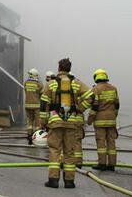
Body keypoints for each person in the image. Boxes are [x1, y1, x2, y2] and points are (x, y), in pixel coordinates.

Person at [40, 58, 93, 189]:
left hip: (55, 122)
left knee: (55, 150)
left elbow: (43, 103)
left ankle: (53, 180)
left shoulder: (51, 84)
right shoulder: (76, 83)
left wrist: (43, 122)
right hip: (72, 123)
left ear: (59, 68)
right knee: (70, 152)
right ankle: (69, 181)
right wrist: (80, 108)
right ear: (69, 68)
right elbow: (91, 96)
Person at [87, 68, 119, 171]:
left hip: (100, 121)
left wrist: (89, 120)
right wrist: (113, 116)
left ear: (96, 77)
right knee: (111, 142)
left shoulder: (96, 89)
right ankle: (112, 165)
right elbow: (117, 105)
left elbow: (94, 107)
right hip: (112, 120)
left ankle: (102, 164)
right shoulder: (113, 88)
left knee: (101, 143)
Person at [24, 68, 43, 144]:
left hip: (27, 105)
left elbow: (26, 91)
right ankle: (37, 136)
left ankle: (29, 136)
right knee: (38, 123)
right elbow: (42, 93)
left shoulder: (26, 83)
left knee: (30, 122)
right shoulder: (39, 84)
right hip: (36, 106)